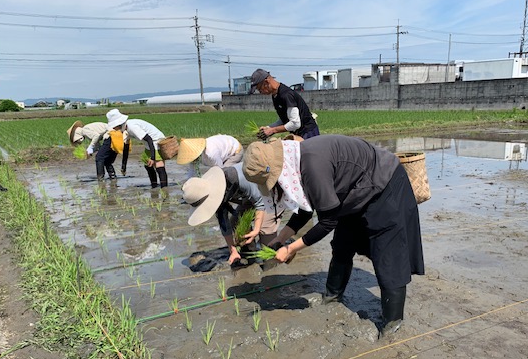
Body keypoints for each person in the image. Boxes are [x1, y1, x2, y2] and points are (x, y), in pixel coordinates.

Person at [242, 135, 424, 336]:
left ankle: (393, 324)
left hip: (384, 186)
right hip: (353, 193)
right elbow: (307, 207)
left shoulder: (312, 165)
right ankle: (332, 297)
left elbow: (328, 221)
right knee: (342, 244)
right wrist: (280, 239)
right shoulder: (298, 161)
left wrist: (291, 248)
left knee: (388, 256)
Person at [182, 164, 279, 265]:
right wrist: (232, 250)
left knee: (266, 235)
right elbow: (224, 222)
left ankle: (272, 270)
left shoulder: (237, 178)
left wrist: (256, 229)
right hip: (250, 196)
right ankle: (250, 255)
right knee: (236, 222)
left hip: (270, 190)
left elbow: (260, 201)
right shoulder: (213, 193)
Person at [250, 68, 320, 140]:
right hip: (298, 133)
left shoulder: (286, 95)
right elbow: (285, 119)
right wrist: (269, 128)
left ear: (266, 82)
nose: (260, 92)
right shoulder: (275, 96)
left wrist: (272, 130)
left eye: (260, 89)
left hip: (308, 133)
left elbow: (295, 123)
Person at [106, 109, 167, 188]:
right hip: (148, 144)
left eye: (114, 127)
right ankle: (154, 186)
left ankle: (164, 189)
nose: (114, 129)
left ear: (119, 124)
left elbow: (149, 139)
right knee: (147, 164)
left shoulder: (132, 127)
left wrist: (152, 157)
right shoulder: (125, 130)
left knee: (158, 164)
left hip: (156, 141)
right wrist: (123, 166)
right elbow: (126, 148)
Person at [177, 135, 243, 178]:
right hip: (221, 152)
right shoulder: (193, 157)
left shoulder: (211, 153)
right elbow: (192, 171)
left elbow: (220, 170)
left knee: (226, 174)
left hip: (234, 150)